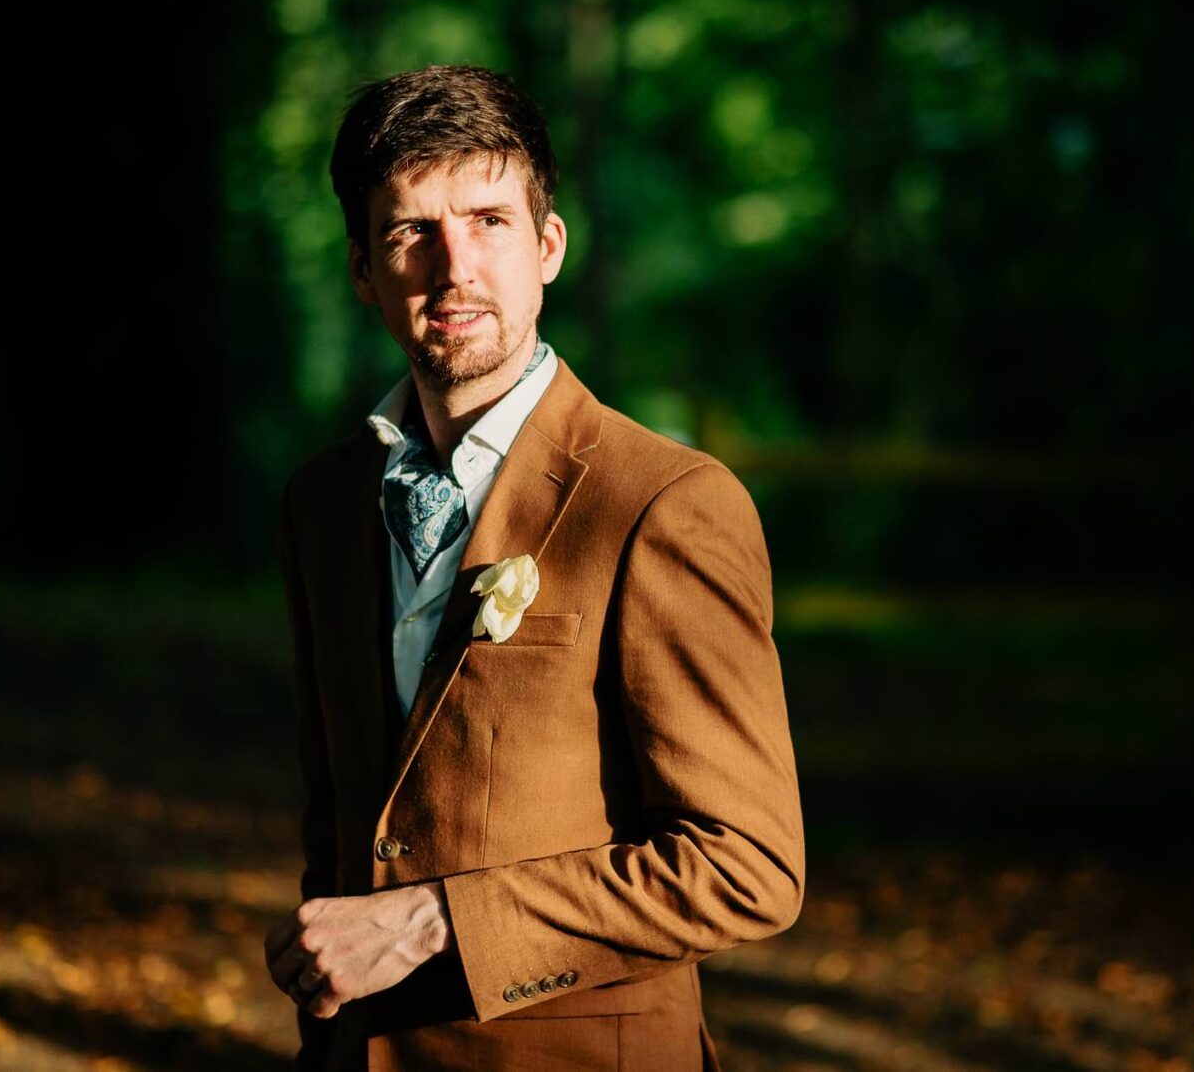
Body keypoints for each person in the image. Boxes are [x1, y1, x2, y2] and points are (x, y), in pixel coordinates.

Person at [264, 64, 805, 1071]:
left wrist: (429, 922)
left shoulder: (661, 504)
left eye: (487, 222)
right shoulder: (321, 506)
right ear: (360, 268)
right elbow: (341, 822)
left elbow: (748, 867)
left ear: (548, 245)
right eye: (408, 232)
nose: (451, 265)